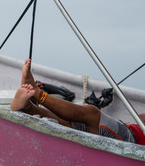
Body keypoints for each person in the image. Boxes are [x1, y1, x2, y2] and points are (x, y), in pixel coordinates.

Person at [10, 58, 145, 145]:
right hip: (128, 131)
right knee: (69, 123)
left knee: (92, 114)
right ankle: (29, 108)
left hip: (130, 142)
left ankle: (38, 95)